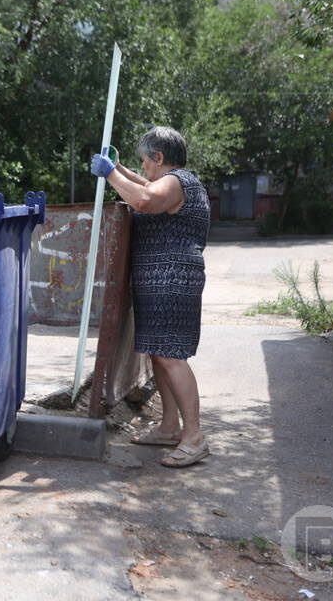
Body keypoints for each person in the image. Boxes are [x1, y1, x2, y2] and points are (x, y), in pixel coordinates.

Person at [90, 126, 210, 468]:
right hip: (160, 280)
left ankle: (194, 437)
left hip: (172, 279)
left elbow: (144, 199)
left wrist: (110, 174)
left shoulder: (178, 181)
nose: (142, 168)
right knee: (160, 354)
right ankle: (170, 427)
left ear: (159, 157)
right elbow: (145, 186)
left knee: (171, 356)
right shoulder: (173, 182)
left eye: (144, 161)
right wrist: (119, 168)